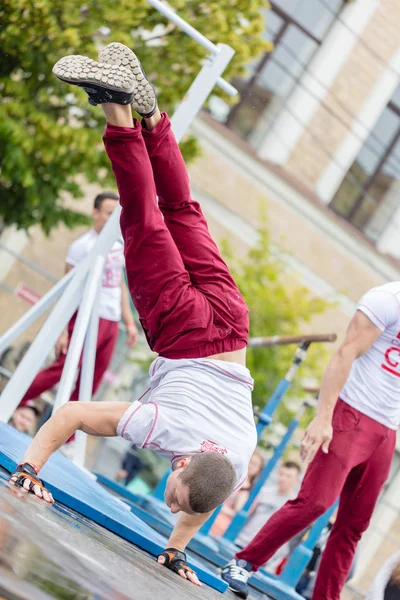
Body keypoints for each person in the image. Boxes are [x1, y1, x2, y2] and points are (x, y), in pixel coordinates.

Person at [9, 43, 257, 587]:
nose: (169, 499)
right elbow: (71, 414)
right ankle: (117, 109)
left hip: (234, 324)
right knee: (141, 219)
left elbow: (200, 503)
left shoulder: (234, 464)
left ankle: (153, 118)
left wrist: (176, 550)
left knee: (181, 211)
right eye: (174, 491)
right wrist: (30, 470)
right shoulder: (162, 429)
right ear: (185, 463)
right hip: (183, 331)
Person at [222, 281, 400, 600]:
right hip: (352, 414)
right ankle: (244, 561)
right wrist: (323, 417)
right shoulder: (387, 299)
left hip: (387, 432)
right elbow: (344, 353)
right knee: (315, 502)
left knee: (353, 525)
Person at [17, 192, 138, 414]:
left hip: (111, 321)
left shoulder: (119, 245)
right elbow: (67, 290)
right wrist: (62, 329)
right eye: (109, 214)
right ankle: (16, 396)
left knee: (91, 382)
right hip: (87, 317)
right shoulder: (82, 246)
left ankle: (69, 436)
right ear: (96, 213)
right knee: (63, 369)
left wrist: (129, 322)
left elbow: (119, 284)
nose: (113, 220)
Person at [235, 461, 300, 551]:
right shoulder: (264, 492)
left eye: (288, 476)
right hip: (241, 540)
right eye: (281, 474)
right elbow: (247, 512)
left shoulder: (295, 503)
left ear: (296, 480)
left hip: (262, 550)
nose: (283, 478)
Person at [211, 450, 264, 537]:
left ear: (259, 470)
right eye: (250, 461)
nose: (250, 465)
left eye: (254, 464)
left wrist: (244, 490)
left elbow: (239, 514)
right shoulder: (230, 477)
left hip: (223, 529)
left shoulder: (253, 493)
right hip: (208, 519)